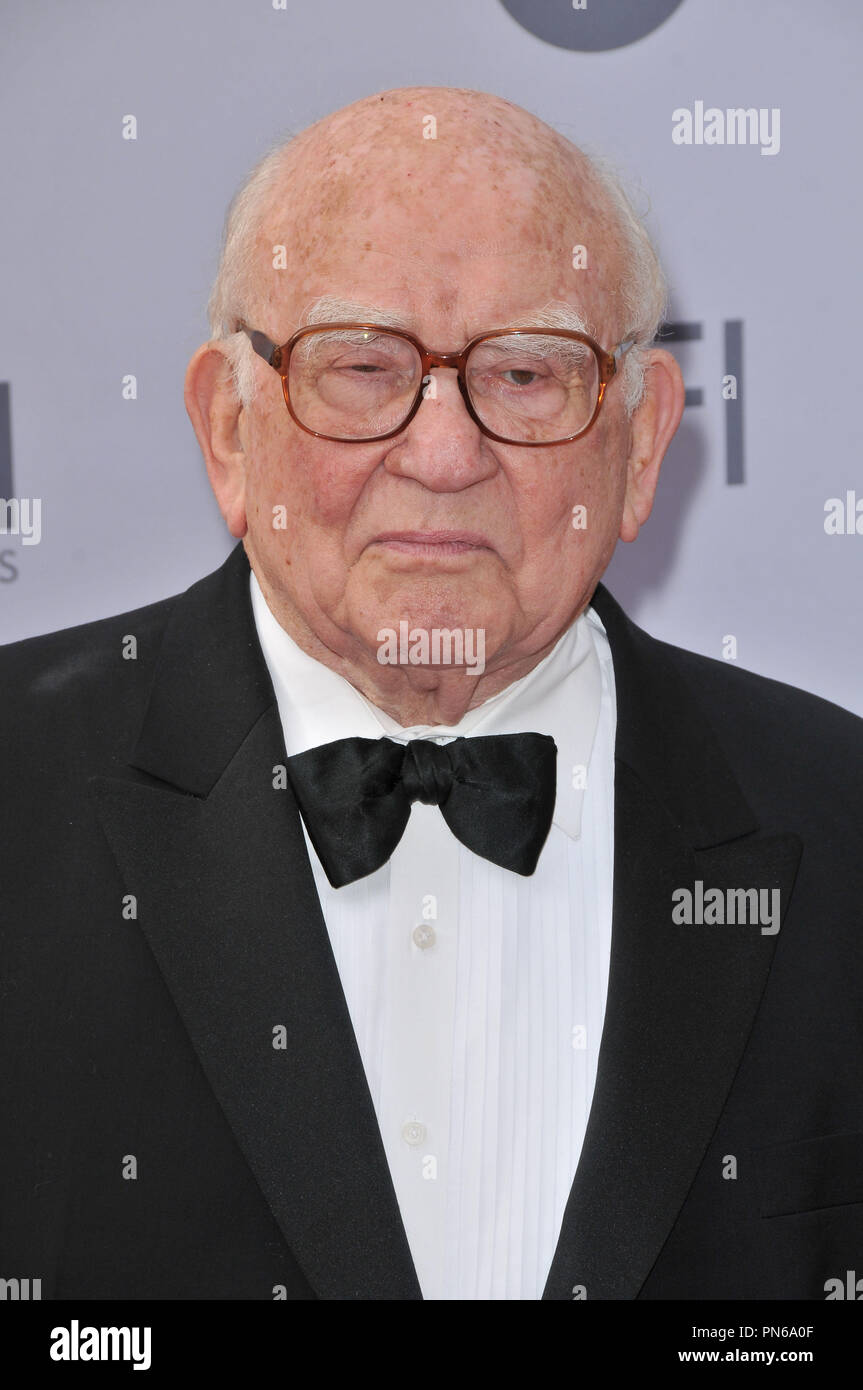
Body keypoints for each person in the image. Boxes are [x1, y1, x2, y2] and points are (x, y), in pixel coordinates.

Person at [2, 86, 861, 1302]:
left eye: (526, 373)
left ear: (641, 443)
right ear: (228, 432)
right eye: (359, 367)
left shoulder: (842, 824)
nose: (445, 454)